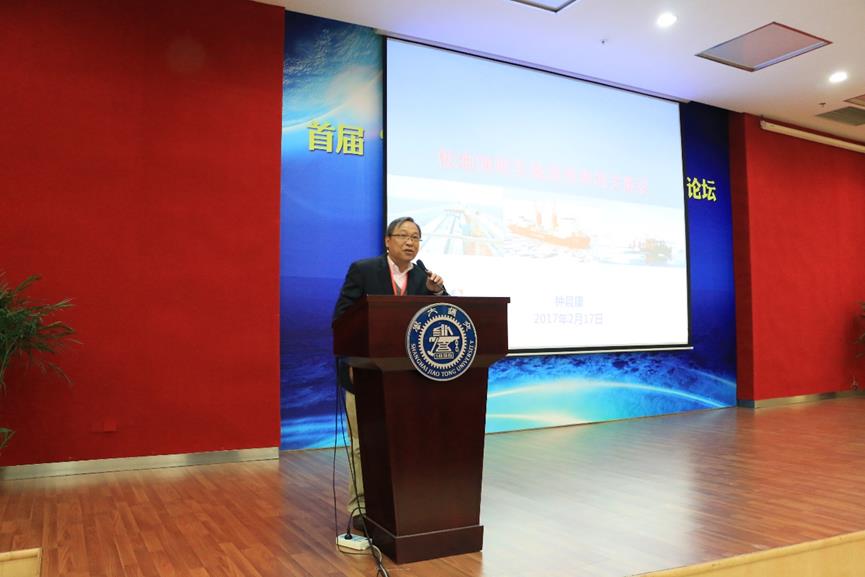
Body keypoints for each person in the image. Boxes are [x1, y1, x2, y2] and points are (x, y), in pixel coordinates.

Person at [332, 216, 446, 529]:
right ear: (387, 240)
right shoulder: (364, 270)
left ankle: (404, 502)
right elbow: (342, 319)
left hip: (410, 376)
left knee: (407, 441)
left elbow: (446, 317)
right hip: (364, 373)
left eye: (416, 237)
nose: (410, 242)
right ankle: (360, 507)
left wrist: (438, 293)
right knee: (363, 444)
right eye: (403, 235)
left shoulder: (425, 277)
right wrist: (355, 358)